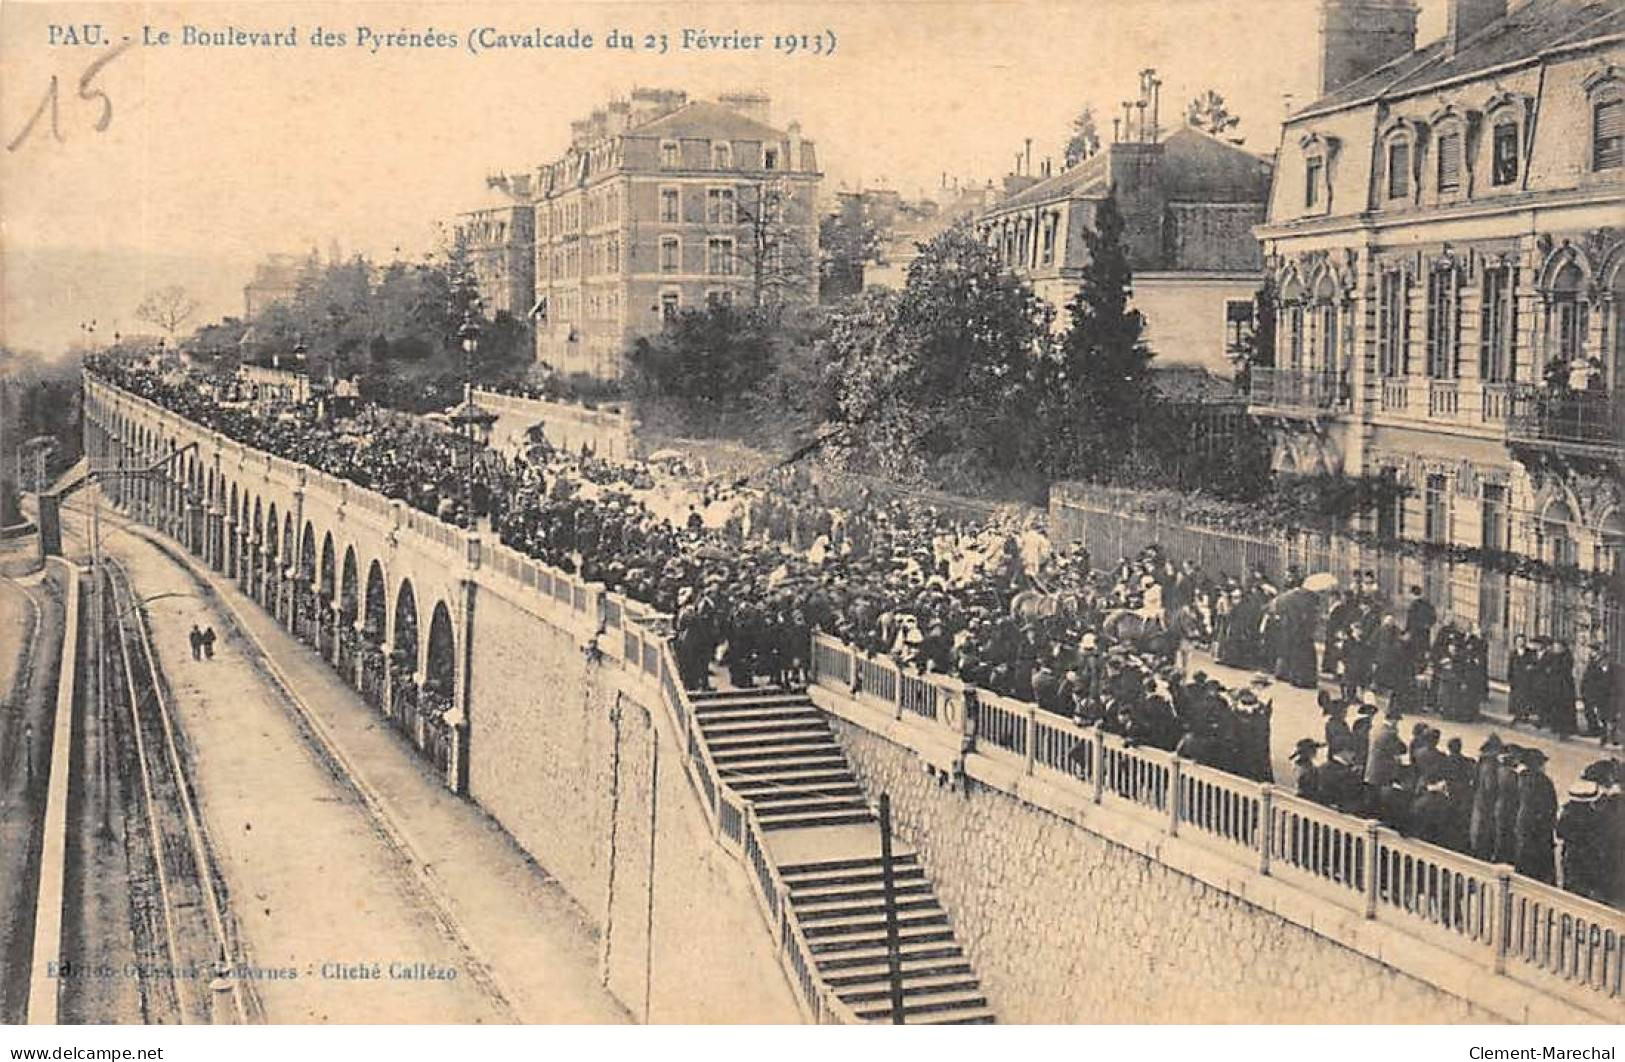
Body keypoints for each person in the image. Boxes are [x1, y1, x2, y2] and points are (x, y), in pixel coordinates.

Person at [1514, 748, 1558, 884]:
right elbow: (1552, 806)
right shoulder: (1545, 782)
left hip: (1523, 824)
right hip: (1540, 828)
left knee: (1525, 856)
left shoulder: (1521, 778)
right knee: (1542, 862)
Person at [1556, 780, 1606, 901]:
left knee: (1571, 888)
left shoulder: (1567, 813)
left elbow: (1559, 833)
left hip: (1571, 855)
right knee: (1587, 890)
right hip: (1589, 857)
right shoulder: (1594, 816)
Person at [1469, 734, 1503, 861]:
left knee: (1478, 825)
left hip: (1479, 798)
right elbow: (1490, 786)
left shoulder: (1481, 762)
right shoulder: (1491, 765)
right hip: (1487, 802)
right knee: (1485, 827)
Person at [1580, 644, 1615, 743]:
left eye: (1592, 650)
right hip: (1589, 690)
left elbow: (1604, 678)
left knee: (1601, 713)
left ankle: (1601, 732)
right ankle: (1593, 728)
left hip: (1598, 692)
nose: (1590, 652)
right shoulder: (1592, 661)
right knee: (1589, 711)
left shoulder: (1602, 663)